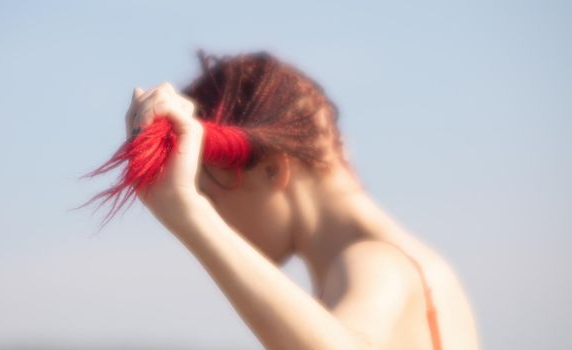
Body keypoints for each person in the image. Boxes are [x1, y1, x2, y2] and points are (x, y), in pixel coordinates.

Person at [82, 49, 481, 349]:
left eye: (210, 193)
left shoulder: (374, 261)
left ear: (273, 169)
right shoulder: (421, 264)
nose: (217, 215)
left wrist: (189, 213)